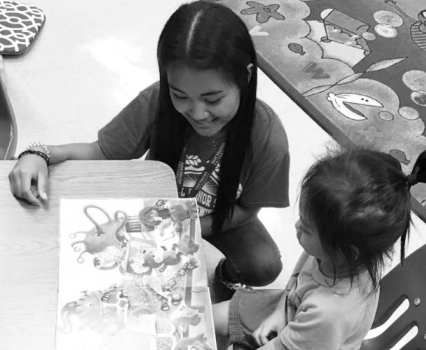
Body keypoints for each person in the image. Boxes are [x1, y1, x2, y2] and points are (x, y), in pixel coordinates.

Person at [8, 1, 290, 293]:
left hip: (218, 217)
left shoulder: (267, 136)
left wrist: (186, 227)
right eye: (180, 95)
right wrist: (40, 153)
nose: (197, 113)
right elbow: (101, 152)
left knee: (264, 265)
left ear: (246, 76)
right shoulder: (156, 101)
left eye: (213, 99)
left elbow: (248, 209)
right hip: (153, 207)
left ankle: (225, 275)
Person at [213, 146, 426, 350]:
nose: (297, 226)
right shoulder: (334, 252)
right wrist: (280, 311)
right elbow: (297, 280)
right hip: (291, 311)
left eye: (306, 228)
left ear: (347, 251)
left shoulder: (330, 312)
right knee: (209, 318)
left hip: (311, 338)